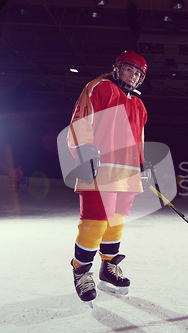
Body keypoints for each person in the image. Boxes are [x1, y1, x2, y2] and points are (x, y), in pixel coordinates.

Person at [66, 50, 148, 303]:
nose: (133, 76)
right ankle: (81, 272)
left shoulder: (139, 104)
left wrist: (142, 163)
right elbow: (81, 117)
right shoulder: (99, 87)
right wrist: (85, 148)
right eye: (129, 69)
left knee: (116, 223)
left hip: (127, 172)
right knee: (95, 222)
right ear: (117, 67)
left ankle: (109, 267)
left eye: (138, 73)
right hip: (99, 168)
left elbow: (139, 137)